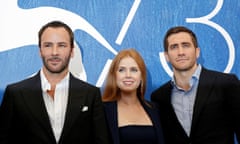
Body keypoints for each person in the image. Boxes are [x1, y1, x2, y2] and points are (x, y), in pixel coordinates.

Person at [0, 20, 110, 144]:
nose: (54, 52)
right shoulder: (15, 93)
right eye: (48, 45)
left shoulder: (91, 94)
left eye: (61, 45)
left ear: (72, 51)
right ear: (40, 50)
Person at [151, 26, 240, 144]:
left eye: (186, 45)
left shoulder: (226, 84)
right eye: (174, 47)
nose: (181, 52)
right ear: (166, 56)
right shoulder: (159, 97)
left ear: (197, 52)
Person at [102, 48, 165, 144]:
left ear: (141, 76)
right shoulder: (102, 111)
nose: (128, 75)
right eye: (121, 70)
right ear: (114, 75)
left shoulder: (155, 109)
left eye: (134, 70)